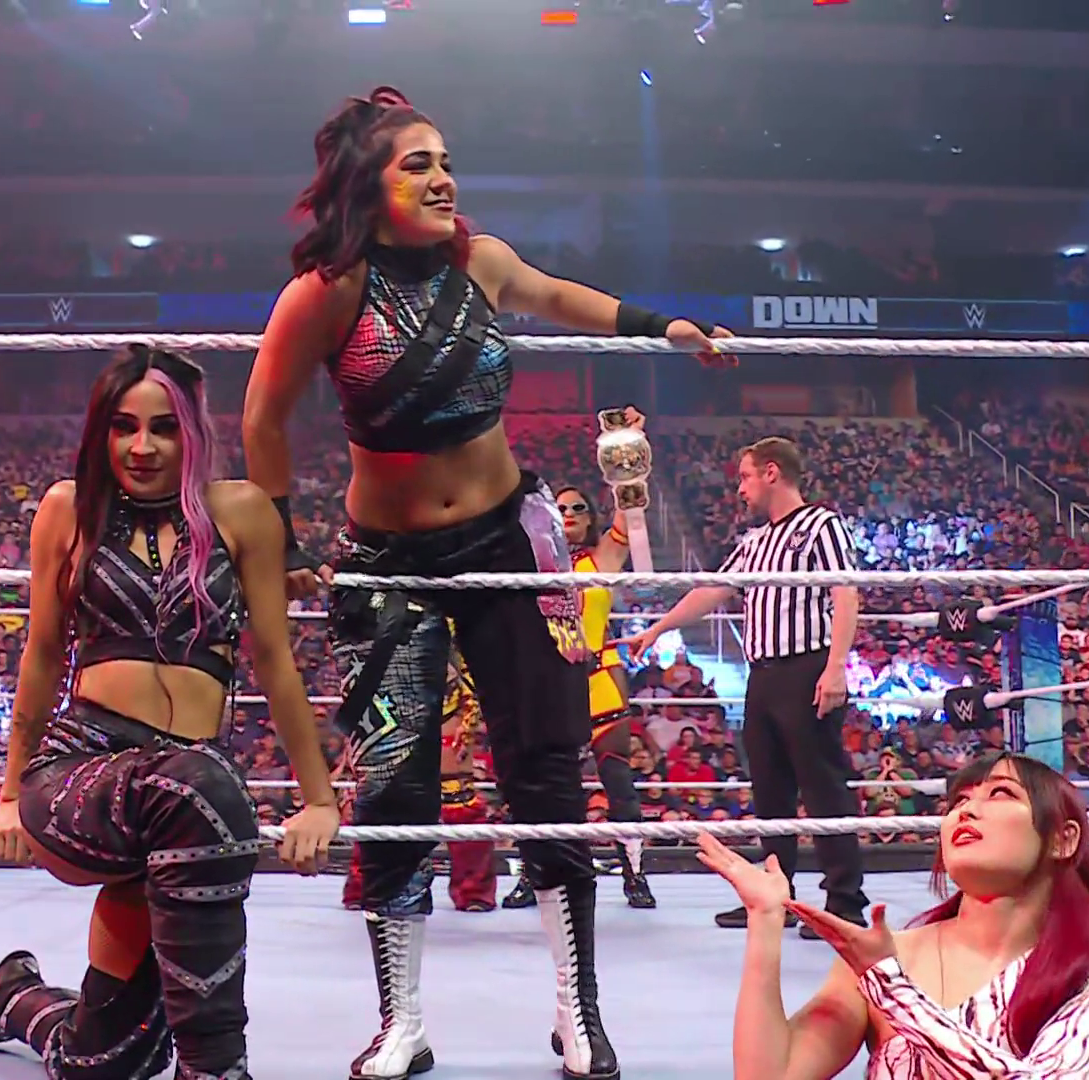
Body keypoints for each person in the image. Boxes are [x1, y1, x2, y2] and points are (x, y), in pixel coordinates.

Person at [242, 85, 729, 1080]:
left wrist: (663, 325)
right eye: (417, 163)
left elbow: (560, 297)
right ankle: (402, 1021)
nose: (442, 179)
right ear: (368, 184)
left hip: (510, 540)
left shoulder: (482, 261)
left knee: (544, 768)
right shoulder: (327, 291)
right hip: (391, 561)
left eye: (446, 161)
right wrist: (285, 541)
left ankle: (578, 1011)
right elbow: (263, 416)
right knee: (395, 780)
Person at [0, 346, 341, 1080]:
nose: (142, 446)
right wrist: (7, 793)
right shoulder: (68, 509)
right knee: (202, 790)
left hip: (181, 791)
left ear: (194, 433)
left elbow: (276, 662)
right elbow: (42, 657)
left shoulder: (242, 511)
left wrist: (318, 800)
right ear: (102, 432)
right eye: (124, 427)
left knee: (104, 1063)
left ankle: (13, 1000)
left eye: (163, 428)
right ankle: (216, 1069)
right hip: (82, 766)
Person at [701, 752, 1089, 1080]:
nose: (966, 810)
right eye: (957, 802)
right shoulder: (883, 957)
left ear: (1062, 839)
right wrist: (765, 921)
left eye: (1000, 793)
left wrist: (891, 987)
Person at [618, 436, 868, 933]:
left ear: (772, 472)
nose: (740, 488)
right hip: (764, 676)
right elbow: (713, 589)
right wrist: (659, 628)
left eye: (746, 476)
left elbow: (845, 592)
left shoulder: (821, 525)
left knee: (822, 786)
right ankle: (774, 897)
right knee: (770, 791)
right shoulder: (755, 542)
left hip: (807, 667)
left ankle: (844, 903)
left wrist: (836, 665)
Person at [502, 471, 655, 910]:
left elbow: (629, 519)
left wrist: (628, 472)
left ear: (590, 519)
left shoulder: (601, 559)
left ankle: (635, 876)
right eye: (561, 507)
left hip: (598, 679)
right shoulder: (527, 564)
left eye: (578, 508)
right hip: (546, 684)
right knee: (537, 786)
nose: (568, 514)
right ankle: (533, 874)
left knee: (619, 783)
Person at [343, 642, 499, 913]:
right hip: (388, 694)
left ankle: (473, 889)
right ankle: (367, 884)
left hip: (445, 689)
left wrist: (470, 712)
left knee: (458, 798)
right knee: (382, 795)